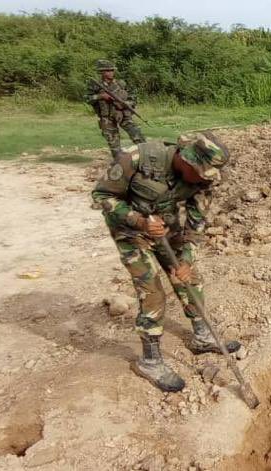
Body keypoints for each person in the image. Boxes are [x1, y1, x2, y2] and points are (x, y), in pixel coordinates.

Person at [91, 133, 240, 392]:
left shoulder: (204, 181)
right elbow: (101, 196)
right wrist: (139, 220)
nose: (203, 179)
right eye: (200, 172)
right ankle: (149, 360)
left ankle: (202, 336)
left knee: (190, 279)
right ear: (186, 159)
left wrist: (186, 259)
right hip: (131, 231)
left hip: (167, 228)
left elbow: (196, 224)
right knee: (153, 292)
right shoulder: (137, 158)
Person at [85, 60, 146, 156]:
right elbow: (87, 98)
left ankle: (147, 157)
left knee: (138, 136)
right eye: (108, 71)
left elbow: (133, 98)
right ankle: (119, 162)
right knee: (114, 146)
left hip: (123, 115)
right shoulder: (95, 85)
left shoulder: (121, 84)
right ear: (102, 72)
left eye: (112, 70)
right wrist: (100, 96)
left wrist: (125, 103)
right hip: (107, 118)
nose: (110, 73)